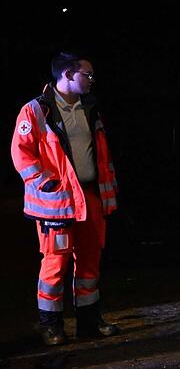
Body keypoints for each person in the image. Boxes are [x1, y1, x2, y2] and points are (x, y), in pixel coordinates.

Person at [11, 52, 120, 345]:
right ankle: (51, 325)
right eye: (87, 75)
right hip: (56, 202)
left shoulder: (91, 108)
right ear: (68, 75)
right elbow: (21, 153)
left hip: (89, 196)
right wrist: (44, 182)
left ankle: (89, 322)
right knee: (55, 263)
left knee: (90, 260)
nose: (91, 80)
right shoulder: (35, 111)